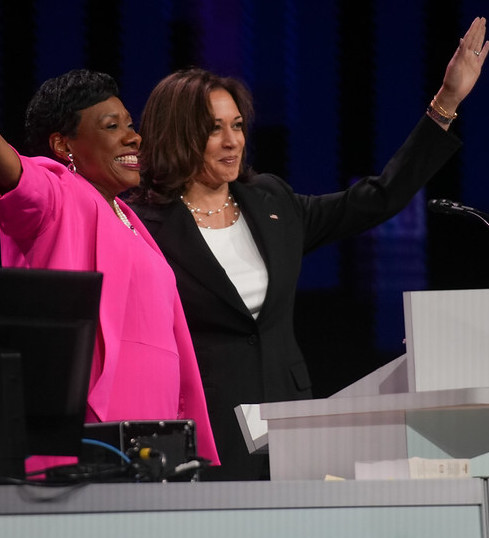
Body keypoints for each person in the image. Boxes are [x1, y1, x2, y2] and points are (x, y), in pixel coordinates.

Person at [130, 17, 489, 481]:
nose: (231, 140)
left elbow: (376, 198)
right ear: (179, 135)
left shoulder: (271, 202)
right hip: (207, 430)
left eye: (237, 125)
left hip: (291, 422)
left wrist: (446, 104)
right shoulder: (144, 225)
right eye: (213, 128)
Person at [0, 69, 219, 476]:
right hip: (85, 434)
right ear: (64, 145)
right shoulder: (56, 195)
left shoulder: (131, 221)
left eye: (130, 125)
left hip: (155, 434)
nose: (133, 137)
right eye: (112, 126)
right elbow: (10, 168)